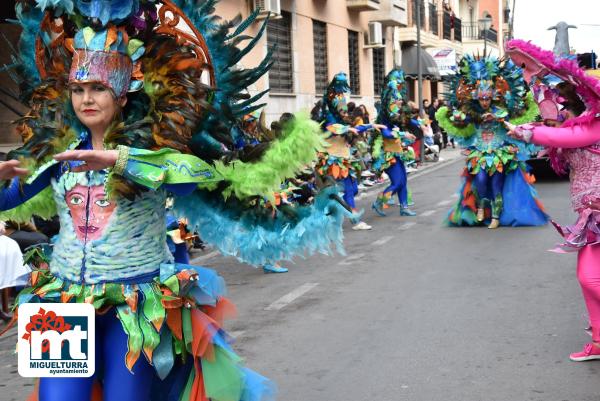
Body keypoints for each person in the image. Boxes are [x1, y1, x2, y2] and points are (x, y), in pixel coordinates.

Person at [0, 2, 353, 400]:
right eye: (78, 89)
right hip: (63, 303)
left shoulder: (156, 150)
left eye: (98, 88)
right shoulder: (59, 155)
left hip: (133, 306)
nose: (86, 99)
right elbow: (9, 199)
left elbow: (193, 177)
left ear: (122, 92)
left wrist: (121, 160)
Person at [505, 39, 600, 361]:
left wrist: (526, 132)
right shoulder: (575, 125)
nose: (560, 117)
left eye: (564, 111)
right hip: (590, 217)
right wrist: (533, 78)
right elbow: (555, 131)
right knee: (587, 278)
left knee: (591, 278)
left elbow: (565, 136)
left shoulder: (593, 125)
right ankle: (599, 342)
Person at [435, 54, 548, 229]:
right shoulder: (471, 112)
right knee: (480, 180)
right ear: (476, 98)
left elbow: (513, 122)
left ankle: (495, 215)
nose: (485, 101)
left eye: (487, 98)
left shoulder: (502, 111)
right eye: (481, 98)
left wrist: (498, 119)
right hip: (480, 153)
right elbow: (461, 123)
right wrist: (456, 117)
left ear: (493, 96)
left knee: (496, 184)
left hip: (499, 153)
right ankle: (481, 206)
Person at [371, 69, 418, 217]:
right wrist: (404, 134)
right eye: (394, 100)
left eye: (398, 100)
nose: (398, 102)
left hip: (397, 151)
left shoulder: (395, 117)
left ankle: (404, 208)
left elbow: (400, 126)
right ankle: (379, 201)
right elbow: (386, 133)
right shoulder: (385, 119)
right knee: (397, 182)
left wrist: (407, 134)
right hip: (387, 154)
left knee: (403, 181)